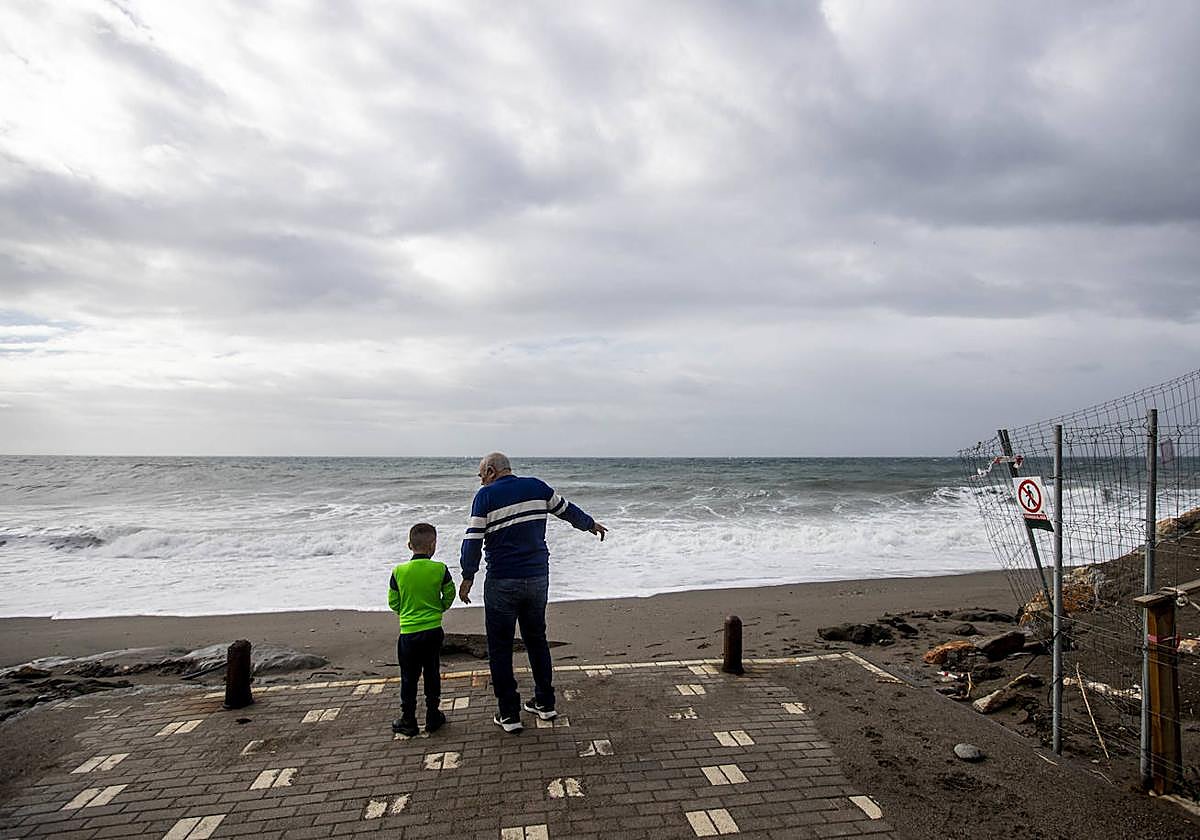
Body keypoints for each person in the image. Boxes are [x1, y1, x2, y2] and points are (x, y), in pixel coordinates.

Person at [459, 452, 607, 733]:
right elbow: (568, 510)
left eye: (481, 475)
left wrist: (468, 576)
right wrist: (590, 524)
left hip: (503, 581)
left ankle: (509, 714)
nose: (480, 481)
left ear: (491, 471)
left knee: (500, 648)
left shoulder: (486, 496)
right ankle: (545, 703)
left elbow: (473, 539)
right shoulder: (537, 487)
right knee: (537, 640)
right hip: (537, 578)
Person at [388, 522, 455, 737]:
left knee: (409, 676)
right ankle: (433, 715)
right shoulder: (440, 569)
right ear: (433, 545)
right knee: (432, 672)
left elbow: (393, 601)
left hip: (408, 632)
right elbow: (450, 593)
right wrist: (440, 608)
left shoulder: (398, 572)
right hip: (433, 630)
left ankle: (408, 720)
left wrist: (406, 613)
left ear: (409, 545)